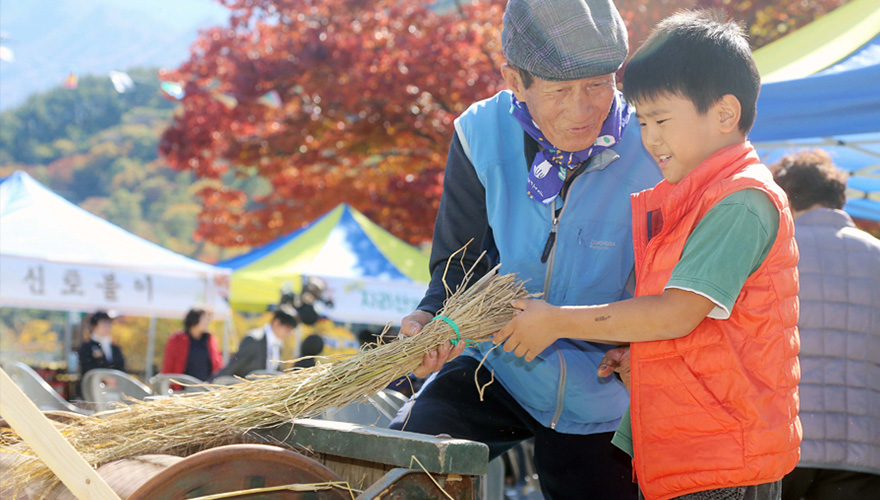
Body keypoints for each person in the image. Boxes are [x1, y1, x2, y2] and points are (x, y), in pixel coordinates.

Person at [494, 10, 802, 500]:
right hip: (691, 455)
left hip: (720, 460)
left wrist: (555, 321)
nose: (649, 138)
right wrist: (643, 356)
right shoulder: (695, 197)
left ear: (724, 113)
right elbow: (696, 329)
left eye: (660, 120)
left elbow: (676, 312)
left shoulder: (741, 201)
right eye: (640, 121)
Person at [388, 1, 661, 498]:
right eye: (560, 91)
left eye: (599, 84)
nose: (582, 110)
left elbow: (668, 280)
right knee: (404, 469)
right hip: (497, 366)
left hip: (604, 388)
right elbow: (460, 265)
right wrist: (431, 320)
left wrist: (635, 347)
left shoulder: (654, 143)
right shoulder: (479, 133)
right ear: (514, 80)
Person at [770, 150, 880, 500]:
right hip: (863, 446)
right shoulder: (875, 255)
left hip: (784, 438)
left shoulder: (772, 253)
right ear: (838, 198)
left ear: (784, 196)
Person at [214, 304, 298, 378]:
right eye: (288, 329)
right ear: (276, 323)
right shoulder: (254, 339)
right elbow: (234, 365)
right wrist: (212, 383)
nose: (290, 334)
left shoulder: (279, 344)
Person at [161, 308, 224, 381]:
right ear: (195, 320)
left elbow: (218, 365)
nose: (208, 322)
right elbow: (168, 366)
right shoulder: (177, 340)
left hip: (206, 388)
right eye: (205, 319)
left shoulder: (210, 340)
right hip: (182, 389)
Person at [77, 311, 125, 398]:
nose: (107, 327)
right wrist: (104, 379)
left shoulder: (115, 347)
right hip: (91, 392)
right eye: (104, 324)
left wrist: (115, 379)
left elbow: (121, 366)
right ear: (94, 326)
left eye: (109, 323)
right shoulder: (87, 346)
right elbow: (86, 368)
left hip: (113, 391)